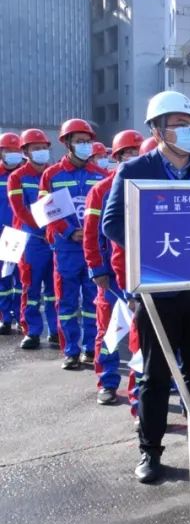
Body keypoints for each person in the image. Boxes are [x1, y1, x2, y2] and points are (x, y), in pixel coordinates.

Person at [102, 90, 190, 484]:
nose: (188, 131)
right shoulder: (134, 171)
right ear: (157, 130)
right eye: (178, 125)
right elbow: (112, 224)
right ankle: (150, 451)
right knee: (156, 375)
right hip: (159, 291)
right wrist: (155, 250)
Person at [42, 118, 108, 370]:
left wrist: (92, 234)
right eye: (79, 141)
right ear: (67, 143)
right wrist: (69, 232)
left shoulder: (101, 175)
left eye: (88, 141)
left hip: (94, 248)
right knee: (67, 302)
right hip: (66, 249)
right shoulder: (51, 175)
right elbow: (46, 210)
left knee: (93, 300)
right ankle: (71, 350)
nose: (85, 145)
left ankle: (91, 348)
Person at [83, 129, 143, 405]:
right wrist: (97, 269)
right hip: (111, 276)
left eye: (137, 153)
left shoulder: (150, 187)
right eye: (128, 153)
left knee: (144, 335)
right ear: (117, 157)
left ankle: (149, 384)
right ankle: (107, 381)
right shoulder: (101, 190)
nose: (133, 158)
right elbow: (92, 234)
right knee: (109, 331)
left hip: (142, 275)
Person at [10, 130, 61, 350]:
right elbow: (20, 210)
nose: (41, 151)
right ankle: (31, 331)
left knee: (54, 288)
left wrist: (55, 229)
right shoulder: (17, 177)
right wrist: (43, 228)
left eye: (44, 147)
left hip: (54, 238)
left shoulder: (54, 173)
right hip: (32, 239)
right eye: (36, 148)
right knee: (30, 287)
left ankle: (55, 330)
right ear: (26, 151)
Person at [0, 133, 24, 334]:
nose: (13, 154)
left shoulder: (25, 175)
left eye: (17, 150)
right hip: (1, 235)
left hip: (20, 234)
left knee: (22, 278)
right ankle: (4, 317)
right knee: (3, 279)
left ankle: (20, 315)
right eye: (9, 150)